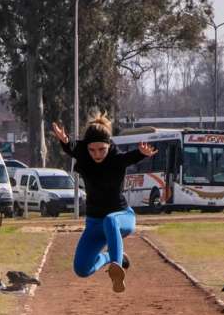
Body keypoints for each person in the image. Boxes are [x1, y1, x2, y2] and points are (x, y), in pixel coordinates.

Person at [51, 115, 156, 293]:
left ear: (109, 145)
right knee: (81, 269)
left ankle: (117, 269)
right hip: (94, 224)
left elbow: (131, 157)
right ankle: (112, 258)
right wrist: (64, 140)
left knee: (110, 220)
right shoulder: (84, 155)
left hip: (122, 217)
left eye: (102, 149)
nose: (97, 154)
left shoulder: (116, 158)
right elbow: (72, 148)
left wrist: (142, 153)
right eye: (92, 150)